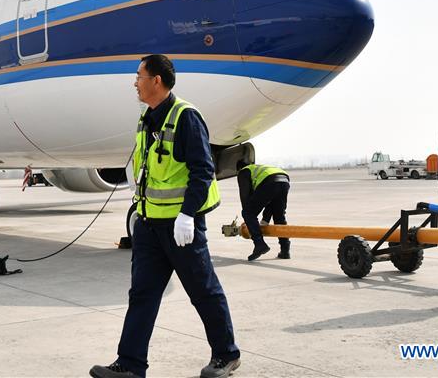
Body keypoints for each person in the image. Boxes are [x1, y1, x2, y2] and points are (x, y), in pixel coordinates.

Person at [90, 55, 240, 378]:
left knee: (203, 290)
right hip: (148, 225)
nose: (135, 82)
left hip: (180, 227)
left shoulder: (186, 117)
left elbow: (203, 170)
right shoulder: (147, 119)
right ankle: (130, 364)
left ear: (156, 80)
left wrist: (188, 215)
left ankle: (226, 354)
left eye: (139, 76)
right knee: (142, 294)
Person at [237, 161, 291, 260]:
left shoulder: (243, 171)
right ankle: (285, 250)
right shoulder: (260, 168)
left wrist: (249, 219)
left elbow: (245, 197)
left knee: (247, 212)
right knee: (279, 215)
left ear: (239, 169)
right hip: (284, 180)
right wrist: (265, 219)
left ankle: (259, 244)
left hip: (271, 182)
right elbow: (270, 201)